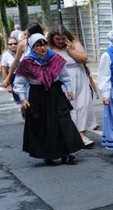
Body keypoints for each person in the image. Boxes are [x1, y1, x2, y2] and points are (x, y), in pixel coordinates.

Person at [12, 33, 83, 166]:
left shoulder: (55, 58)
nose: (42, 48)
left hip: (55, 93)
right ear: (32, 47)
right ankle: (48, 155)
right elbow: (19, 83)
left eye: (44, 44)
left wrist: (69, 89)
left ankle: (67, 154)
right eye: (38, 46)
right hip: (37, 96)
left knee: (63, 122)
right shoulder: (27, 62)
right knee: (43, 125)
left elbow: (65, 76)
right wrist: (23, 99)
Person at [48, 26, 96, 148]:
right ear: (52, 38)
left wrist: (70, 51)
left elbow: (83, 59)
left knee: (83, 105)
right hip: (62, 81)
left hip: (79, 79)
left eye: (63, 38)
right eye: (57, 39)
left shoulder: (74, 43)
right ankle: (70, 136)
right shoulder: (49, 48)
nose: (60, 41)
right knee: (69, 108)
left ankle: (82, 136)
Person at [0, 36, 21, 104]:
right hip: (13, 77)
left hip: (25, 77)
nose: (13, 45)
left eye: (15, 43)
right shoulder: (6, 55)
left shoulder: (23, 52)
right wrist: (8, 85)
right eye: (10, 44)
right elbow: (4, 71)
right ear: (7, 45)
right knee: (19, 100)